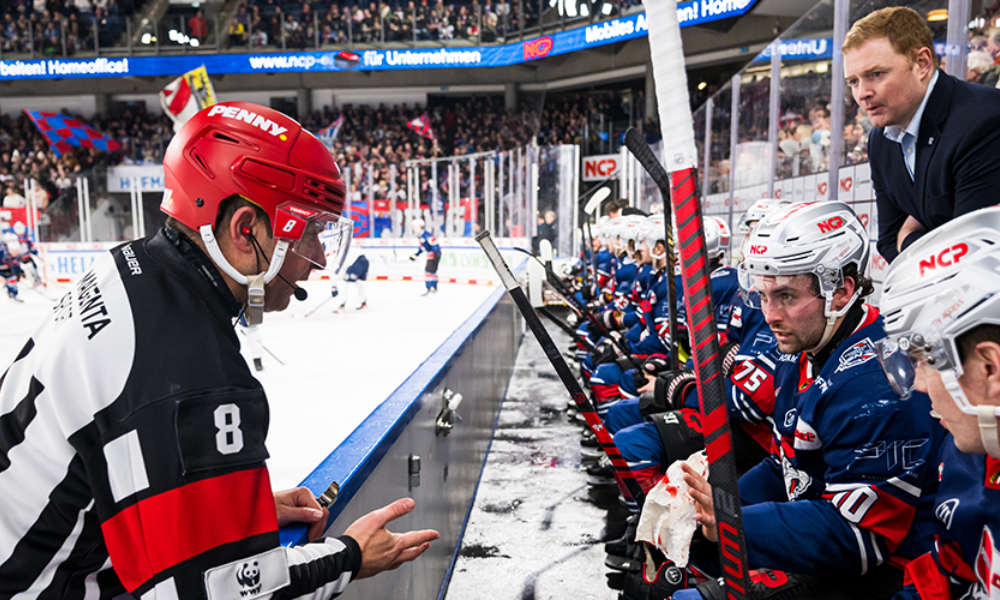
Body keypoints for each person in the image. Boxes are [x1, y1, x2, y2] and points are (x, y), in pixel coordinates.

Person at [0, 102, 439, 598]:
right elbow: (219, 589)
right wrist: (350, 555)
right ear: (244, 228)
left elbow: (94, 477)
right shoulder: (191, 367)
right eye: (310, 231)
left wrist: (212, 504)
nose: (316, 259)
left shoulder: (125, 269)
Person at [668, 201, 946, 600]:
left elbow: (861, 540)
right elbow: (787, 466)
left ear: (841, 290)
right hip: (827, 533)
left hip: (894, 573)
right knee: (676, 553)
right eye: (763, 296)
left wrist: (735, 522)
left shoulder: (874, 383)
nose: (770, 315)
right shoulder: (805, 344)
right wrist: (719, 502)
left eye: (785, 296)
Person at [875, 206, 1000, 600]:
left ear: (990, 368)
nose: (923, 386)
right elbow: (941, 578)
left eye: (926, 361)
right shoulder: (973, 445)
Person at [842, 6, 1000, 264]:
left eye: (876, 74)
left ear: (922, 63)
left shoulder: (984, 120)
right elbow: (887, 239)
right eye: (854, 81)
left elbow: (972, 252)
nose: (862, 94)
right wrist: (903, 236)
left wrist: (908, 238)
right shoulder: (880, 141)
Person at [409, 217, 441, 295]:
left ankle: (429, 288)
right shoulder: (421, 235)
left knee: (428, 272)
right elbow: (423, 247)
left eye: (415, 227)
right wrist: (416, 254)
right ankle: (434, 287)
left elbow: (434, 243)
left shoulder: (425, 234)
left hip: (434, 255)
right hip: (433, 254)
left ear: (419, 227)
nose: (413, 228)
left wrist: (435, 253)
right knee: (432, 272)